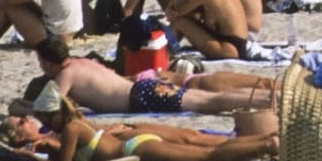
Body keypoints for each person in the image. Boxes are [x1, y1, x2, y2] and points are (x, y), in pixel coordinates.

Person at [0, 84, 278, 161]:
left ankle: (268, 144)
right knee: (205, 143)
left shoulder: (68, 129)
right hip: (134, 138)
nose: (32, 121)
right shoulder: (72, 123)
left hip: (135, 148)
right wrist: (41, 147)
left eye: (34, 118)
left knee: (206, 158)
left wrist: (31, 157)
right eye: (23, 123)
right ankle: (268, 138)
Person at [30, 37, 272, 116]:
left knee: (210, 102)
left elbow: (47, 111)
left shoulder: (66, 74)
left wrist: (21, 107)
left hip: (140, 96)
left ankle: (270, 100)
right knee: (208, 98)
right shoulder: (83, 62)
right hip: (144, 87)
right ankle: (270, 97)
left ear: (47, 62)